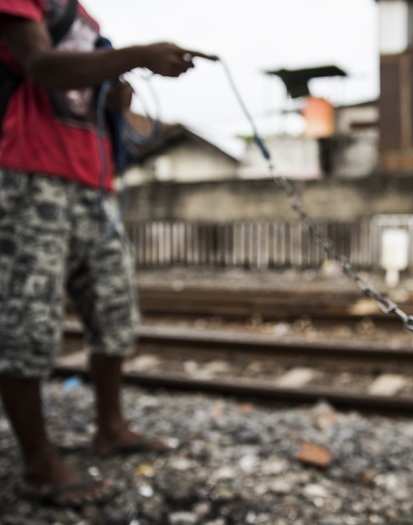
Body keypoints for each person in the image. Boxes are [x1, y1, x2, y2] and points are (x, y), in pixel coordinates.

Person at [0, 0, 215, 507]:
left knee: (114, 310)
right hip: (29, 175)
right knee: (25, 323)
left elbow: (84, 84)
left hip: (94, 184)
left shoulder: (81, 16)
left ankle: (111, 427)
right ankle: (38, 462)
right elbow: (42, 67)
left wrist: (117, 90)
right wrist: (136, 55)